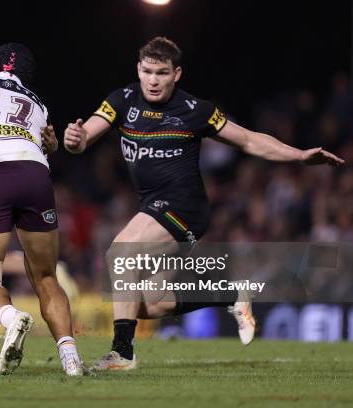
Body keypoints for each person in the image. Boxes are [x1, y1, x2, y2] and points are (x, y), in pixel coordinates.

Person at [63, 36, 344, 371]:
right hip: (154, 206)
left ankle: (122, 353)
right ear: (138, 69)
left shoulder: (195, 111)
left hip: (185, 208)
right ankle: (230, 295)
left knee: (120, 254)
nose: (154, 80)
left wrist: (298, 156)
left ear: (176, 74)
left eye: (162, 73)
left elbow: (249, 140)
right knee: (141, 304)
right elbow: (84, 138)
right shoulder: (121, 101)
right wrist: (75, 140)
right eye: (148, 71)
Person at [0, 43, 86, 376]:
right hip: (36, 175)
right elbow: (46, 144)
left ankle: (11, 318)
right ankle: (70, 356)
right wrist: (52, 146)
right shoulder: (37, 102)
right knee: (45, 275)